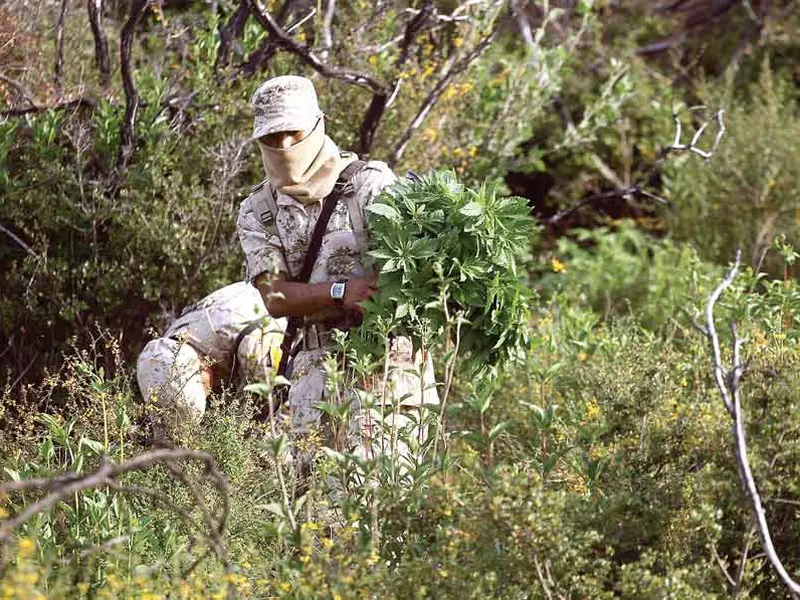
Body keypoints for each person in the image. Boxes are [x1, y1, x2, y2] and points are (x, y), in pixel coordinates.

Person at [237, 75, 438, 461]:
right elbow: (275, 298)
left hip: (384, 369)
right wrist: (340, 292)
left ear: (317, 125)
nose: (284, 146)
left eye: (293, 134)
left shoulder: (370, 186)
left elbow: (410, 269)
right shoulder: (258, 210)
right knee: (317, 512)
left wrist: (377, 293)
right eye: (271, 138)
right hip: (313, 379)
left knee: (376, 500)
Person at [136, 281, 286, 428]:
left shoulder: (256, 347)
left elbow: (263, 414)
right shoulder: (172, 343)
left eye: (202, 390)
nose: (207, 394)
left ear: (202, 366)